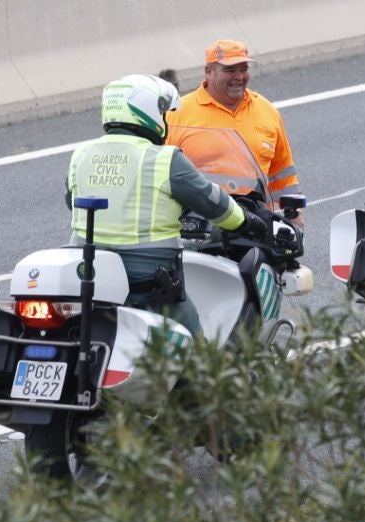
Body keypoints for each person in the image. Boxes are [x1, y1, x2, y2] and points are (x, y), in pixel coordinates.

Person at [66, 74, 269, 336]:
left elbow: (72, 201)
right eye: (162, 114)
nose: (164, 120)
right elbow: (213, 202)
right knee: (197, 350)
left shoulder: (81, 154)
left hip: (89, 278)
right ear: (146, 113)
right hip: (147, 284)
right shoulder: (164, 159)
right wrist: (247, 222)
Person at [168, 39, 302, 202]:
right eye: (230, 70)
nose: (239, 77)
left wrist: (294, 215)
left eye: (243, 69)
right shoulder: (176, 114)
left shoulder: (267, 111)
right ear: (208, 72)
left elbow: (282, 174)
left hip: (255, 222)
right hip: (199, 224)